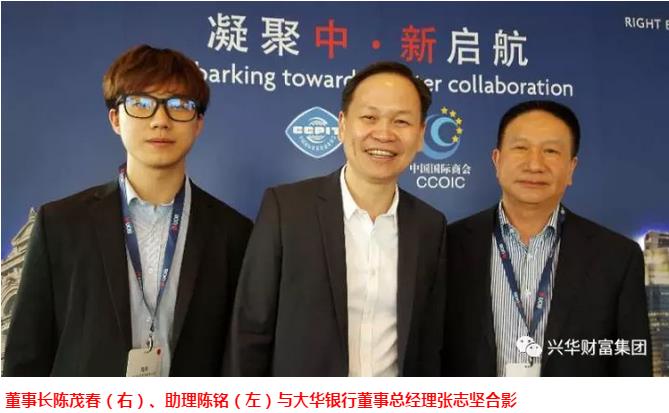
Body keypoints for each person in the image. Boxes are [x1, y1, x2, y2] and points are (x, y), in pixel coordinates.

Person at [3, 44, 252, 376]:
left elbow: (241, 357)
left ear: (198, 123)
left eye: (179, 105)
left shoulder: (235, 232)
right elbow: (26, 359)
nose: (160, 121)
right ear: (115, 119)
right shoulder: (60, 224)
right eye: (141, 104)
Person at [229, 61, 447, 376]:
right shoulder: (287, 210)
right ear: (343, 125)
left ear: (421, 135)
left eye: (401, 121)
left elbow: (429, 346)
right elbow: (250, 331)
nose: (384, 134)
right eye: (369, 117)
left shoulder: (430, 226)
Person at [443, 100, 651, 376]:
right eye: (521, 148)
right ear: (497, 160)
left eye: (551, 151)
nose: (534, 164)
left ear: (571, 168)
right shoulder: (448, 245)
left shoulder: (617, 256)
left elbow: (632, 364)